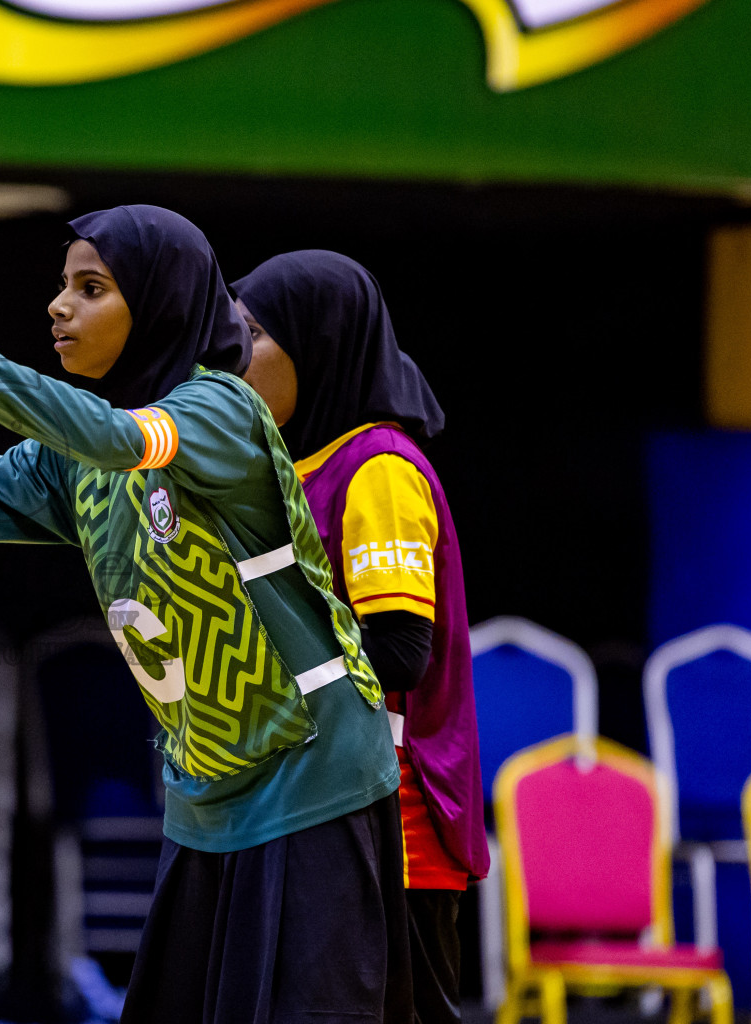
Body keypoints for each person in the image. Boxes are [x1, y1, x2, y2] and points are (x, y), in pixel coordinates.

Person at [0, 209, 410, 1023]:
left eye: (90, 289)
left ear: (160, 305)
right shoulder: (72, 461)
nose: (59, 306)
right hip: (208, 793)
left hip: (316, 770)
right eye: (62, 286)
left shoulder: (220, 412)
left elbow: (122, 437)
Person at [233, 251, 489, 1024]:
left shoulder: (375, 469)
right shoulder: (295, 469)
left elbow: (399, 651)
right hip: (314, 818)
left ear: (316, 345)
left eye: (250, 336)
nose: (230, 359)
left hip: (389, 836)